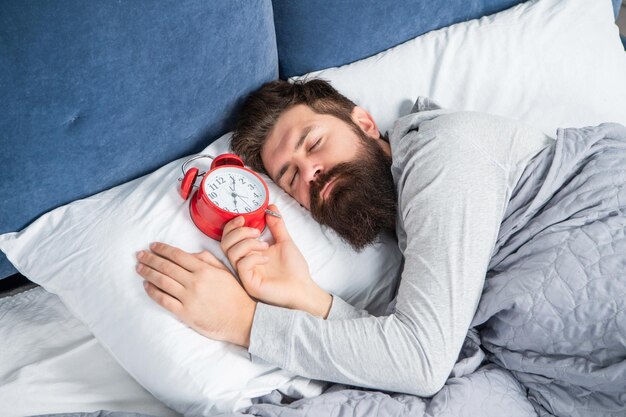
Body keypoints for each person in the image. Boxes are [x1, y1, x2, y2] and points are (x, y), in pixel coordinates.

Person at [134, 79, 554, 395]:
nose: (310, 172)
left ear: (365, 123)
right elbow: (424, 349)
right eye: (290, 176)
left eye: (313, 143)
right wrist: (306, 297)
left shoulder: (440, 153)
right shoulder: (408, 217)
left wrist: (243, 321)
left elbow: (421, 361)